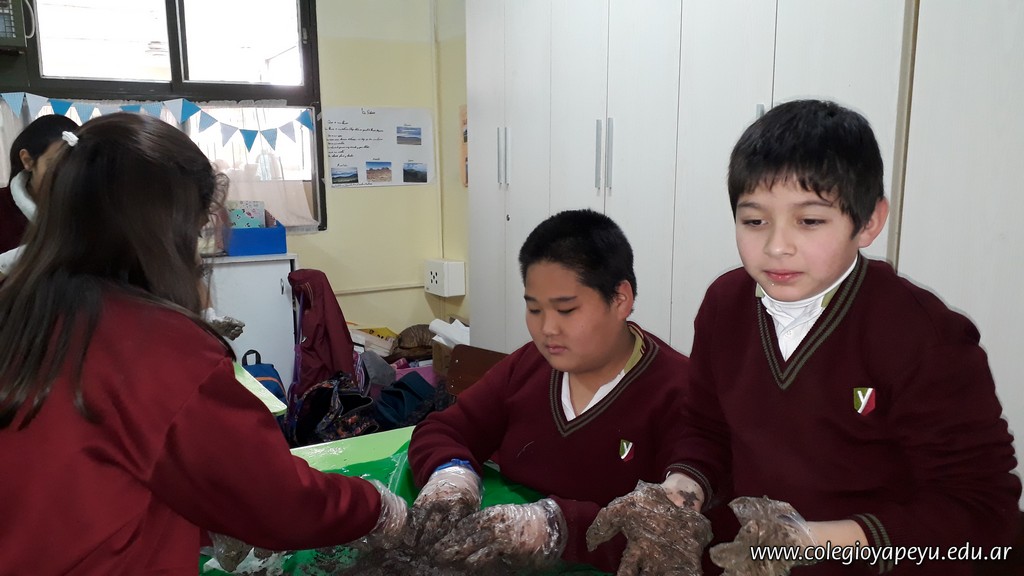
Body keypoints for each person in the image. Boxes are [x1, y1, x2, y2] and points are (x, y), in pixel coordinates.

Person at [595, 99, 1021, 575]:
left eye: (810, 221)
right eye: (754, 221)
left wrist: (810, 542)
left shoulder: (923, 334)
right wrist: (679, 495)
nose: (777, 246)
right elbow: (706, 429)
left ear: (869, 221)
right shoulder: (725, 304)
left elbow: (982, 509)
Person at [0, 113, 406, 574]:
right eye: (193, 232)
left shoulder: (22, 307)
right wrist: (375, 507)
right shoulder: (157, 346)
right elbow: (277, 498)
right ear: (161, 231)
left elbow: (96, 473)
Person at [405, 209, 711, 573]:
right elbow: (444, 430)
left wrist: (557, 528)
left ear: (620, 299)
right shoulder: (529, 365)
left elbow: (675, 535)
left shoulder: (682, 393)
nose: (547, 329)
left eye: (566, 310)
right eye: (534, 309)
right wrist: (451, 477)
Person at [0, 113, 80, 274]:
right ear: (27, 160)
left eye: (74, 166)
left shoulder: (87, 209)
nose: (66, 175)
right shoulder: (3, 205)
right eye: (55, 164)